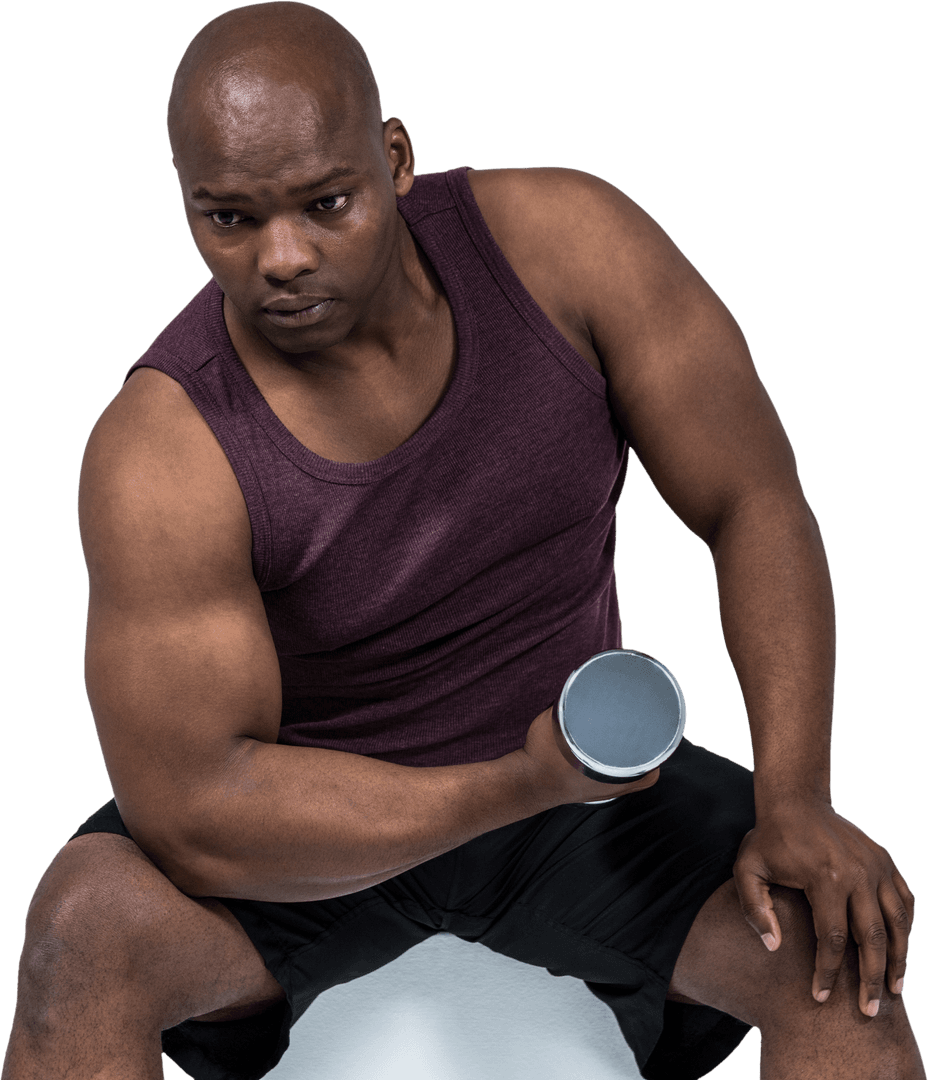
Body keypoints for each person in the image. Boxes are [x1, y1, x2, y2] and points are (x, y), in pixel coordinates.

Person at [2, 2, 923, 1078]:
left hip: (583, 814)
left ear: (393, 159)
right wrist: (514, 783)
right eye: (229, 220)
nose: (282, 257)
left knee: (836, 949)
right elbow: (199, 811)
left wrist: (796, 795)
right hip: (317, 828)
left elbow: (753, 502)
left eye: (324, 202)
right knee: (83, 936)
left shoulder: (568, 251)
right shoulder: (163, 448)